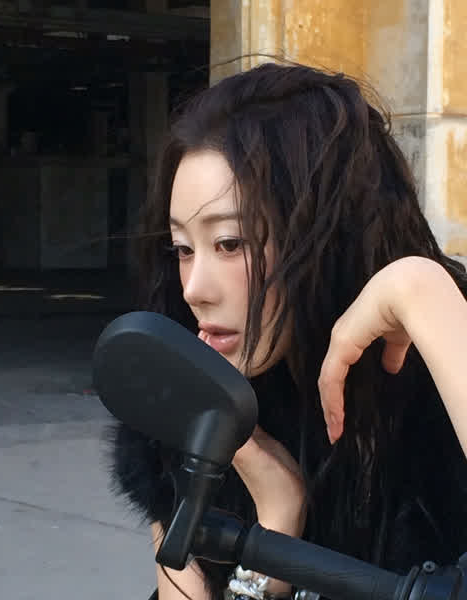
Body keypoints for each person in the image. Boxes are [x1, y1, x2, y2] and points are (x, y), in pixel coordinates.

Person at [108, 62, 467, 600]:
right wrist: (274, 525)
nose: (194, 289)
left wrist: (422, 289)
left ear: (330, 239)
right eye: (183, 248)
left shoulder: (442, 384)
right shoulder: (187, 417)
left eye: (230, 244)